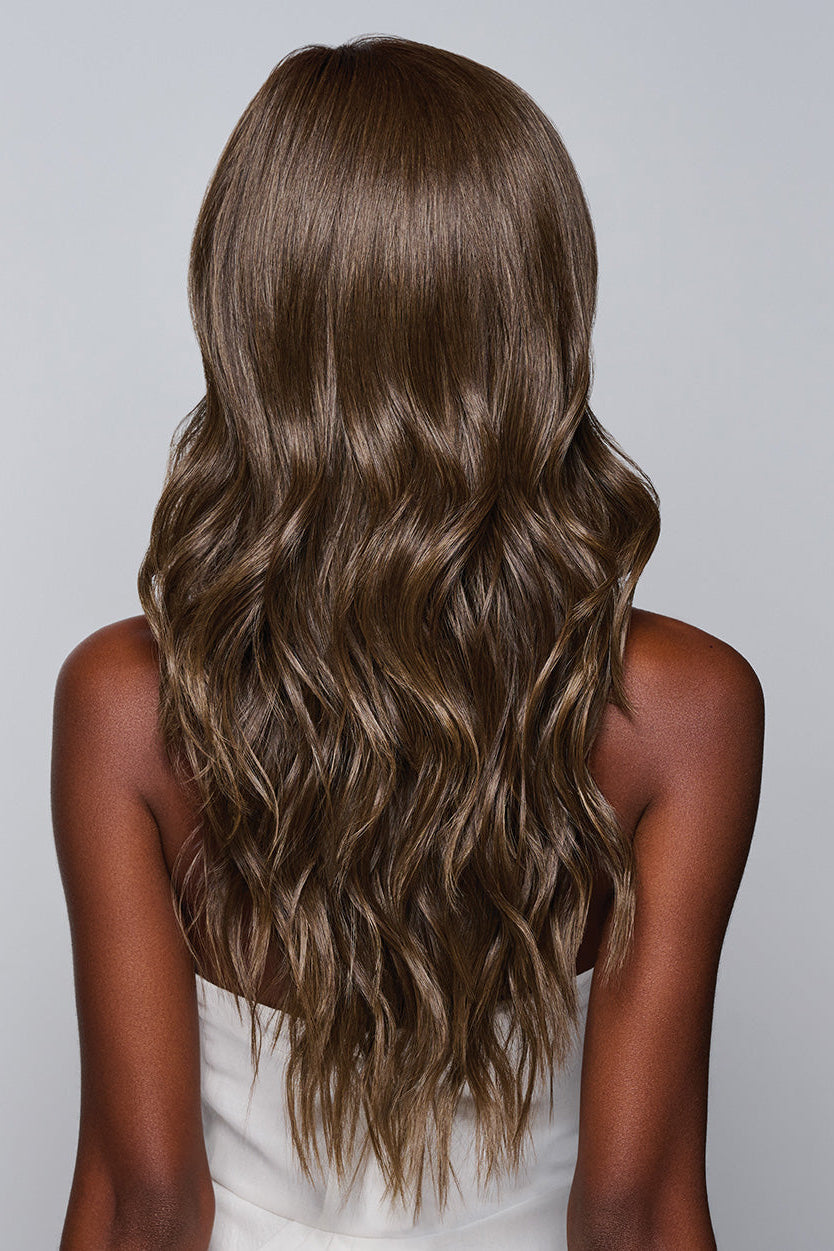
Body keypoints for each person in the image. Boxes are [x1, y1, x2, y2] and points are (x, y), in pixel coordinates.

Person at [51, 34, 765, 1251]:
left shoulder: (126, 702)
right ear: (540, 310)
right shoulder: (688, 707)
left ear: (247, 308)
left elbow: (147, 1202)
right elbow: (633, 1213)